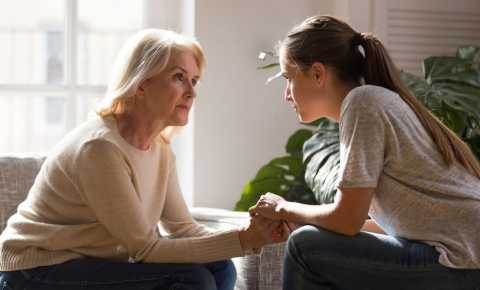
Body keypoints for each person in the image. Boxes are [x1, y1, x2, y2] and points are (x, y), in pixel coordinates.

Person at [0, 29, 286, 290]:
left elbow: (182, 228)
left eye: (194, 80)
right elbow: (145, 249)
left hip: (89, 262)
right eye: (179, 77)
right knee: (192, 279)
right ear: (141, 84)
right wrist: (243, 239)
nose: (191, 92)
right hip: (34, 269)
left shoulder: (160, 149)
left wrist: (249, 235)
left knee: (219, 267)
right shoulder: (100, 148)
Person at [249, 15, 480, 290]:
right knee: (310, 240)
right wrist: (302, 220)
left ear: (318, 73)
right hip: (462, 256)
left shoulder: (363, 103)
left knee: (304, 247)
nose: (286, 94)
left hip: (461, 261)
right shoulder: (374, 101)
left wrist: (283, 207)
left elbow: (346, 220)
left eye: (289, 78)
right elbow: (391, 225)